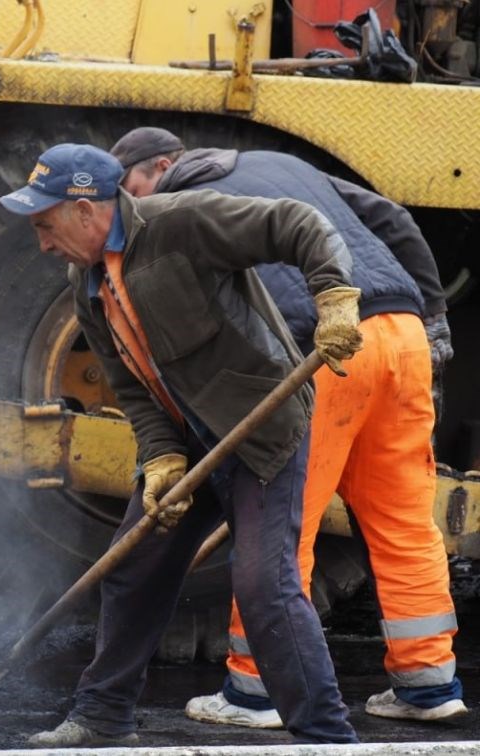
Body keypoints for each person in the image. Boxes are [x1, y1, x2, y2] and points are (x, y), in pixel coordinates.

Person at [0, 144, 362, 746]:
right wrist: (161, 455)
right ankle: (100, 715)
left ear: (85, 210)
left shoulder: (181, 224)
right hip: (187, 437)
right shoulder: (84, 281)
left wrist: (334, 296)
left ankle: (326, 736)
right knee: (135, 566)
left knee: (263, 587)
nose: (41, 242)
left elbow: (297, 224)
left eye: (45, 224)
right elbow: (130, 384)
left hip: (259, 429)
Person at [110, 127, 464, 724]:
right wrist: (432, 316)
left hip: (319, 353)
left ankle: (255, 690)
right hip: (400, 338)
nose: (130, 206)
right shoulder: (280, 163)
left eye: (130, 188)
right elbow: (395, 219)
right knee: (404, 520)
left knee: (279, 526)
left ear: (162, 166)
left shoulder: (177, 210)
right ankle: (428, 685)